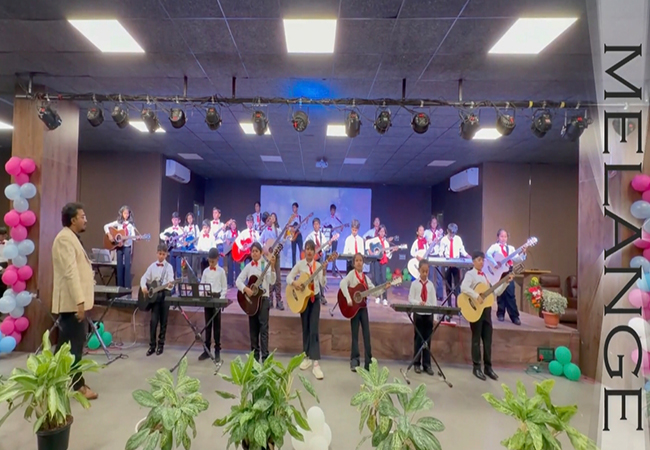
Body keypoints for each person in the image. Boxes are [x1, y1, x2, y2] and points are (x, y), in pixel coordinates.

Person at [52, 202, 97, 400]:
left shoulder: (71, 238)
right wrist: (80, 302)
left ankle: (53, 382)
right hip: (71, 303)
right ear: (73, 220)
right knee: (73, 347)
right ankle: (77, 386)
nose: (86, 220)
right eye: (83, 216)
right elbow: (70, 273)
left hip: (75, 303)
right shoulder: (64, 239)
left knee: (66, 346)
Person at [460, 251, 514, 380]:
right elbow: (464, 288)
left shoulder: (486, 276)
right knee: (476, 340)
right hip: (475, 310)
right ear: (473, 261)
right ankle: (476, 367)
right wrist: (476, 296)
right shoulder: (470, 274)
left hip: (486, 311)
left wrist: (505, 282)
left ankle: (488, 367)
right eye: (479, 260)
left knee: (488, 340)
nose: (482, 262)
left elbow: (495, 293)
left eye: (483, 260)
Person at [286, 240, 327, 380]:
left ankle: (316, 363)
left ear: (315, 252)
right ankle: (306, 356)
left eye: (311, 249)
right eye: (307, 249)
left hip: (314, 300)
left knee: (314, 329)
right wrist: (295, 283)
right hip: (303, 300)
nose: (309, 251)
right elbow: (289, 277)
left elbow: (323, 283)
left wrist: (324, 272)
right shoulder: (300, 264)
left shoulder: (318, 266)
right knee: (306, 328)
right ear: (304, 251)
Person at [236, 242, 276, 362]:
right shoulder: (249, 266)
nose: (254, 253)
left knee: (263, 330)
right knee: (253, 330)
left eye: (256, 251)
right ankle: (254, 359)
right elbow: (238, 281)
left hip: (263, 300)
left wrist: (272, 267)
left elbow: (271, 281)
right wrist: (245, 289)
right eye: (252, 251)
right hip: (251, 303)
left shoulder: (265, 265)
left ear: (261, 252)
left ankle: (265, 358)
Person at [339, 253, 378, 372]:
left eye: (361, 260)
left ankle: (368, 362)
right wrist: (348, 298)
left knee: (367, 334)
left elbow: (374, 291)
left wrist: (383, 288)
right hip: (354, 310)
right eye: (357, 260)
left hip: (363, 309)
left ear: (363, 263)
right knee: (355, 335)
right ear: (353, 263)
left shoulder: (366, 278)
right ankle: (354, 360)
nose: (359, 262)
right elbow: (342, 284)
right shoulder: (351, 275)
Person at [141, 244, 175, 356]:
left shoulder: (169, 267)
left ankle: (161, 345)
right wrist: (144, 287)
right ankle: (152, 345)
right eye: (160, 254)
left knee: (163, 321)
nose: (161, 256)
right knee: (153, 321)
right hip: (155, 296)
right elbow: (144, 278)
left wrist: (170, 285)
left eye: (163, 254)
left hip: (165, 294)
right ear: (157, 253)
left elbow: (171, 281)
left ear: (166, 255)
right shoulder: (152, 266)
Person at [486, 229, 525, 326]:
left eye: (505, 236)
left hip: (509, 272)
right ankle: (500, 313)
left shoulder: (511, 248)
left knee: (511, 293)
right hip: (499, 273)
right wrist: (495, 264)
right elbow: (488, 254)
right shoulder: (494, 247)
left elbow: (517, 259)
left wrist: (523, 253)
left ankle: (514, 316)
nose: (503, 238)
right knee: (500, 293)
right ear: (498, 237)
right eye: (501, 236)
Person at [199, 247, 227, 362]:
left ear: (217, 259)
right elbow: (202, 285)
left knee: (217, 326)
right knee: (207, 325)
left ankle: (217, 351)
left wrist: (221, 299)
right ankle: (206, 350)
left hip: (217, 298)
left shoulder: (221, 272)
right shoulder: (205, 271)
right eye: (209, 261)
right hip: (207, 299)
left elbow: (224, 287)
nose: (211, 263)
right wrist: (202, 294)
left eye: (213, 261)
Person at [408, 259, 435, 375]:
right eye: (423, 271)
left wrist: (435, 315)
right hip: (418, 314)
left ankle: (427, 364)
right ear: (419, 270)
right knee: (418, 339)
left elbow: (434, 301)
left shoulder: (431, 285)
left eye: (427, 271)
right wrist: (418, 303)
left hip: (428, 315)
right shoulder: (414, 284)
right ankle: (417, 363)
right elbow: (410, 298)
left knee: (427, 340)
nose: (425, 273)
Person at [104, 205, 136, 288]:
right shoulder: (118, 223)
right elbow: (106, 226)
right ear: (121, 213)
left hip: (127, 246)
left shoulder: (131, 225)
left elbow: (133, 236)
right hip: (119, 246)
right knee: (119, 267)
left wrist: (136, 238)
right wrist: (109, 235)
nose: (126, 215)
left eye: (127, 213)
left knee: (127, 267)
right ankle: (119, 287)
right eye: (124, 213)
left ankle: (127, 288)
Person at [438, 223, 469, 302]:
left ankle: (457, 304)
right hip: (447, 264)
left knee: (457, 285)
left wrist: (468, 256)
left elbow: (462, 250)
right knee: (448, 285)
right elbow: (441, 251)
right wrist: (442, 256)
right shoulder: (444, 239)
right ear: (448, 231)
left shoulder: (458, 239)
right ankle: (449, 305)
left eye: (453, 233)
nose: (452, 235)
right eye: (451, 233)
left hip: (456, 264)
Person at [260, 212, 284, 310]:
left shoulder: (278, 230)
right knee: (269, 278)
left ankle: (278, 300)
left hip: (276, 256)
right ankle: (269, 300)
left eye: (270, 219)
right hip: (268, 257)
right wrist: (264, 248)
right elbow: (259, 242)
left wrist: (283, 241)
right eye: (267, 221)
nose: (270, 221)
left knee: (277, 278)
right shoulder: (264, 232)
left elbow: (282, 240)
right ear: (265, 223)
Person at [304, 218, 329, 304]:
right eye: (314, 224)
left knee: (321, 276)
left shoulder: (322, 236)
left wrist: (324, 248)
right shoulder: (310, 236)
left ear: (319, 225)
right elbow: (304, 245)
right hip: (312, 259)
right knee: (312, 276)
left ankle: (322, 296)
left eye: (317, 224)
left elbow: (326, 247)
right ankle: (312, 295)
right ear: (313, 225)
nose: (316, 226)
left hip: (320, 258)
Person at [366, 225, 391, 306]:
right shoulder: (375, 240)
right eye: (381, 231)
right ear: (378, 232)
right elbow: (367, 242)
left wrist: (391, 251)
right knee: (377, 279)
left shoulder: (386, 243)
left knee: (383, 279)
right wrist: (370, 252)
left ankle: (384, 298)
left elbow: (388, 254)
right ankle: (378, 296)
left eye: (383, 231)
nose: (382, 233)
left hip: (384, 261)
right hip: (377, 260)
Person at [423, 216, 444, 299]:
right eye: (433, 222)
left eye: (435, 222)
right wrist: (427, 241)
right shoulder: (426, 232)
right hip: (430, 255)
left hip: (438, 255)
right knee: (431, 276)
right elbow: (421, 240)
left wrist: (439, 239)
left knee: (439, 276)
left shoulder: (440, 232)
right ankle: (430, 294)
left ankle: (440, 295)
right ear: (430, 223)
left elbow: (442, 243)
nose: (434, 224)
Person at [159, 212, 183, 277]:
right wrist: (166, 238)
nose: (175, 221)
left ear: (179, 221)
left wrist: (180, 238)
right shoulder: (169, 229)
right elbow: (161, 235)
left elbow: (183, 239)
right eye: (173, 219)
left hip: (179, 249)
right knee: (172, 268)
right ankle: (172, 283)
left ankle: (179, 282)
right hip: (172, 249)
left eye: (176, 220)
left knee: (179, 269)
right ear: (172, 220)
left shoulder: (181, 230)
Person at [322, 204, 342, 272]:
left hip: (334, 237)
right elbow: (323, 226)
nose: (333, 211)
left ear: (335, 211)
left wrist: (341, 228)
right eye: (332, 210)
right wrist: (327, 228)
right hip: (328, 237)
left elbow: (339, 230)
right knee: (327, 253)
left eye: (334, 210)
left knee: (334, 253)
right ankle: (325, 268)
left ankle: (333, 270)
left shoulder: (337, 219)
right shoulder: (327, 218)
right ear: (330, 211)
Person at [223, 220, 239, 288]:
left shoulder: (238, 232)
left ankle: (237, 282)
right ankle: (230, 283)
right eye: (232, 224)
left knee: (237, 267)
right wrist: (226, 240)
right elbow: (223, 238)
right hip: (230, 251)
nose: (233, 226)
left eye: (234, 224)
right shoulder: (228, 232)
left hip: (236, 251)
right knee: (230, 266)